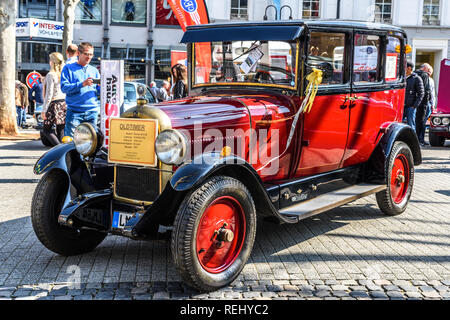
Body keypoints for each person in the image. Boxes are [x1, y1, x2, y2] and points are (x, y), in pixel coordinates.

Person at [61, 42, 101, 138]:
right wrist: (82, 84)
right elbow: (64, 88)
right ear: (79, 53)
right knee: (71, 143)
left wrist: (101, 87)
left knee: (91, 144)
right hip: (74, 112)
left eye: (91, 54)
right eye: (86, 54)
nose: (89, 57)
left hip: (92, 111)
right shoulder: (68, 68)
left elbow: (98, 92)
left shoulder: (94, 70)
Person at [41, 52, 67, 146]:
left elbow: (49, 94)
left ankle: (59, 150)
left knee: (47, 130)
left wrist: (44, 110)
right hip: (64, 103)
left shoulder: (50, 75)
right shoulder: (63, 74)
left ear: (52, 62)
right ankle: (64, 152)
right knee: (61, 130)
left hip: (54, 104)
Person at [415, 64, 432, 146]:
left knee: (415, 121)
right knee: (421, 122)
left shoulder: (414, 74)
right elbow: (424, 89)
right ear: (425, 69)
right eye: (429, 71)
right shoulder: (424, 75)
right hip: (422, 103)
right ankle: (418, 140)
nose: (429, 73)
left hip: (415, 102)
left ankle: (417, 139)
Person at [404, 62, 424, 131]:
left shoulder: (417, 78)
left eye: (404, 67)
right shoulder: (402, 78)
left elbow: (421, 94)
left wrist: (414, 106)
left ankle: (412, 141)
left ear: (409, 68)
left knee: (411, 126)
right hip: (401, 106)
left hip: (410, 107)